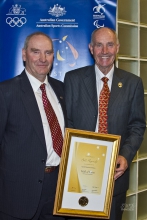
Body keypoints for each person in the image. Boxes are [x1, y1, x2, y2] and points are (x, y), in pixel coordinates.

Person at [64, 27, 146, 220]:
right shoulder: (73, 79)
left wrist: (125, 156)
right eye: (99, 45)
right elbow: (66, 121)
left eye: (110, 45)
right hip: (79, 175)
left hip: (114, 176)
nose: (105, 51)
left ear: (117, 47)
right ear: (90, 48)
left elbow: (137, 125)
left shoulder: (133, 83)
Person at [0, 32, 67, 220]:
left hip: (58, 189)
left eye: (48, 53)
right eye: (36, 52)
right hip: (18, 194)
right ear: (24, 54)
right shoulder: (5, 92)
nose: (42, 59)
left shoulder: (62, 89)